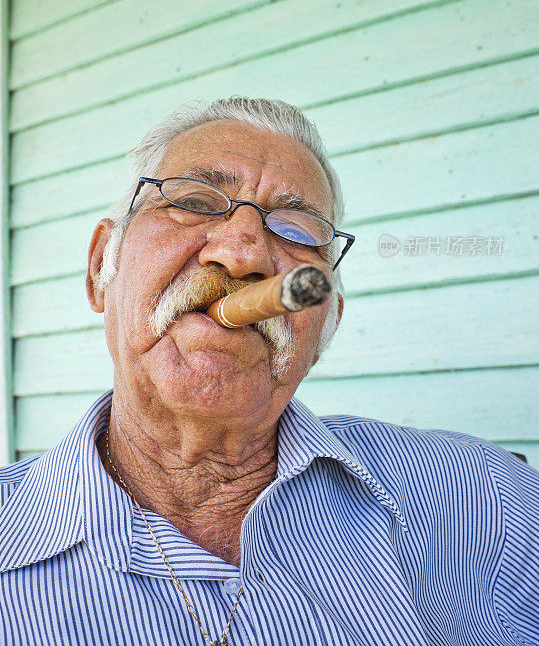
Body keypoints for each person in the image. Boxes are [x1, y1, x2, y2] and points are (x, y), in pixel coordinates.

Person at [0, 97, 537, 646]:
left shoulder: (484, 498)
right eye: (193, 201)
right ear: (99, 271)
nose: (243, 255)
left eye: (299, 231)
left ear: (324, 325)